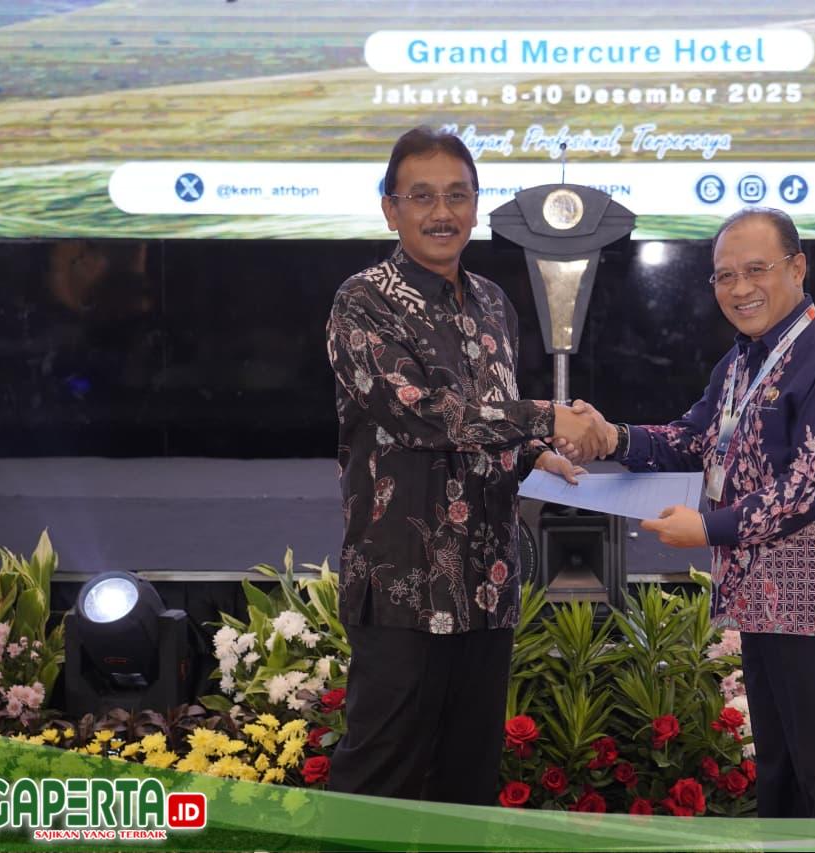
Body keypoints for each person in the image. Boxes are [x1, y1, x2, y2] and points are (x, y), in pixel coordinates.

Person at [560, 207, 815, 818]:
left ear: (798, 268)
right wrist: (612, 438)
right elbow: (693, 439)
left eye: (756, 270)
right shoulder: (742, 361)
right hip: (764, 607)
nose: (740, 289)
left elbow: (808, 487)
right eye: (724, 276)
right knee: (784, 784)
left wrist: (707, 528)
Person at [324, 126, 603, 803]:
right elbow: (421, 414)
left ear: (476, 207)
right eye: (421, 196)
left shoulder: (494, 304)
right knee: (379, 782)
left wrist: (538, 454)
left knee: (468, 786)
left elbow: (488, 416)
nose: (441, 212)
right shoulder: (363, 301)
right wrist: (545, 418)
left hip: (486, 586)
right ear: (390, 209)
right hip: (403, 584)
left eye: (457, 195)